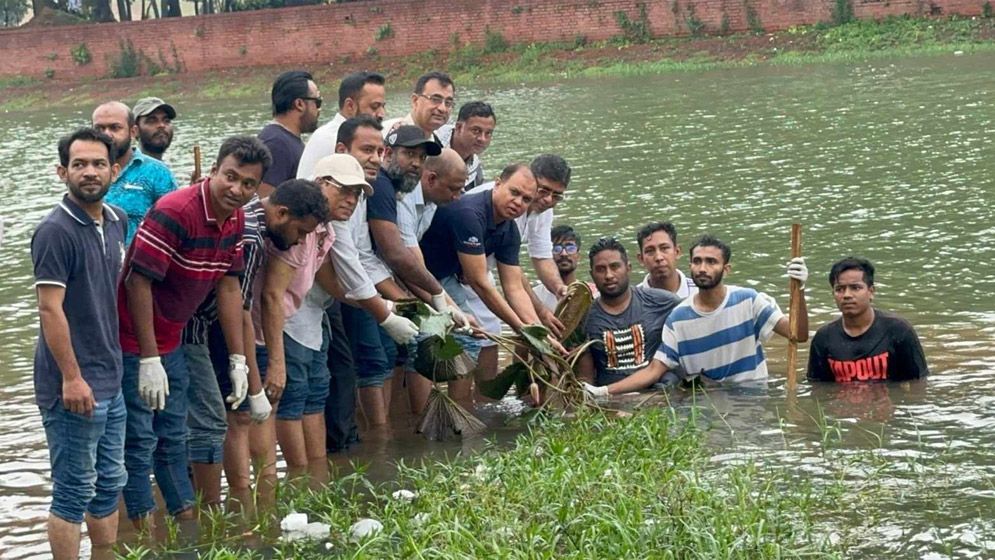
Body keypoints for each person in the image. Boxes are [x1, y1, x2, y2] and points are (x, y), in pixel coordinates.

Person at [117, 135, 259, 527]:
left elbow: (229, 286)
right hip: (133, 338)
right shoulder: (175, 210)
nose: (237, 189)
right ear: (214, 171)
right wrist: (147, 356)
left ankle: (186, 525)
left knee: (174, 434)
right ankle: (143, 532)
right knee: (140, 438)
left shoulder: (237, 218)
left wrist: (238, 360)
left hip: (173, 337)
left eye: (248, 184)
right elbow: (136, 282)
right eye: (230, 177)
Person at [180, 153, 329, 507]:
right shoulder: (249, 236)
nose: (297, 242)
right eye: (299, 232)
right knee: (233, 416)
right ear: (280, 214)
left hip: (217, 327)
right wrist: (253, 377)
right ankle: (239, 500)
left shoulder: (258, 226)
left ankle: (248, 498)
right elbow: (241, 309)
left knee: (237, 414)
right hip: (204, 328)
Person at [32, 128, 127, 560]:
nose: (90, 172)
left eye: (98, 164)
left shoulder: (116, 221)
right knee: (73, 490)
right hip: (72, 385)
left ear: (115, 170)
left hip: (111, 376)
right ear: (61, 172)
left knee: (110, 482)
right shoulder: (55, 231)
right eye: (79, 164)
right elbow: (50, 310)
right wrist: (72, 378)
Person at [585, 235, 809, 396]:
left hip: (754, 397)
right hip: (708, 402)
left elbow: (797, 335)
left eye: (711, 262)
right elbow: (655, 370)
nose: (703, 268)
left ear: (726, 269)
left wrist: (800, 290)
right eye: (697, 261)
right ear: (690, 265)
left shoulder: (749, 300)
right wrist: (604, 391)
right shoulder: (678, 318)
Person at [255, 157, 366, 480]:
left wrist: (382, 307)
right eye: (344, 191)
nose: (350, 200)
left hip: (309, 320)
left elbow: (329, 280)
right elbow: (272, 294)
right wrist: (276, 361)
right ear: (322, 185)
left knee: (316, 393)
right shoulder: (296, 230)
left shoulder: (324, 230)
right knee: (290, 399)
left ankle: (316, 478)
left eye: (357, 195)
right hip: (283, 325)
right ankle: (299, 477)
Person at [328, 117, 419, 434]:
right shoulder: (335, 195)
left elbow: (365, 255)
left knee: (382, 359)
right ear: (342, 149)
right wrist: (383, 310)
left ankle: (383, 439)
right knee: (364, 364)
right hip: (324, 303)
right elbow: (348, 261)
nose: (375, 158)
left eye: (380, 150)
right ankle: (378, 440)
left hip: (351, 295)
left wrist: (403, 303)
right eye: (367, 149)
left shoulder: (364, 192)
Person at [420, 163, 554, 372]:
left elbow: (514, 287)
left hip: (444, 278)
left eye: (526, 199)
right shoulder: (469, 213)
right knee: (427, 348)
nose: (518, 202)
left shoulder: (510, 230)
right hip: (416, 275)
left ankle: (464, 403)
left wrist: (538, 331)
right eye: (514, 192)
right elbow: (479, 282)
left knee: (468, 341)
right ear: (498, 183)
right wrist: (521, 328)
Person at [464, 154, 572, 386]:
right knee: (474, 334)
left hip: (482, 272)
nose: (548, 200)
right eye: (543, 191)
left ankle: (486, 401)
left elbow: (541, 256)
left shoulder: (541, 211)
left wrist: (560, 289)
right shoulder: (496, 204)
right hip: (460, 271)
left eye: (556, 195)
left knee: (490, 332)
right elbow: (506, 276)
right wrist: (535, 318)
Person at [576, 237, 680, 386]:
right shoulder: (585, 317)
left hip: (656, 395)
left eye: (615, 267)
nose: (609, 276)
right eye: (600, 269)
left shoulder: (663, 302)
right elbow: (585, 379)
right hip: (610, 399)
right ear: (592, 274)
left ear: (628, 268)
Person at [807, 257, 928, 383]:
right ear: (833, 294)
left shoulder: (898, 331)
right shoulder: (824, 338)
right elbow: (818, 389)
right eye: (840, 289)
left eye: (855, 288)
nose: (847, 295)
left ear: (871, 292)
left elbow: (918, 383)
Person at [92, 101, 177, 244]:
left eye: (115, 128)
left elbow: (175, 226)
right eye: (99, 128)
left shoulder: (157, 173)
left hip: (138, 262)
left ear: (133, 132)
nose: (106, 134)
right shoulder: (85, 174)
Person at [298, 71, 386, 180]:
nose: (382, 114)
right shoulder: (329, 138)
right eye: (374, 107)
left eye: (383, 106)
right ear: (350, 105)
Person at [257, 70, 322, 198]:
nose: (319, 110)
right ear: (299, 104)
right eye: (317, 102)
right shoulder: (276, 143)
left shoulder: (287, 140)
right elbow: (264, 201)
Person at [532, 225, 597, 312]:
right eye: (556, 249)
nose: (564, 253)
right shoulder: (535, 296)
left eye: (570, 248)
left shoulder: (592, 293)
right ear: (547, 255)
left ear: (578, 255)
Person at [435, 101, 496, 189]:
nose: (482, 139)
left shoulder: (476, 170)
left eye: (488, 133)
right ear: (459, 127)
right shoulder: (431, 145)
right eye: (476, 131)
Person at [382, 71, 455, 140]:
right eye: (435, 99)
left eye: (448, 103)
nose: (442, 108)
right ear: (415, 101)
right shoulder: (385, 135)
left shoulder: (438, 143)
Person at [636, 221, 697, 299]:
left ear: (677, 252)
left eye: (664, 248)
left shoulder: (699, 292)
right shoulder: (633, 300)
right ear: (641, 259)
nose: (658, 257)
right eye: (650, 251)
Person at [132, 97, 175, 161]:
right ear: (135, 131)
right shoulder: (126, 168)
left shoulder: (166, 168)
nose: (161, 125)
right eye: (152, 121)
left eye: (166, 120)